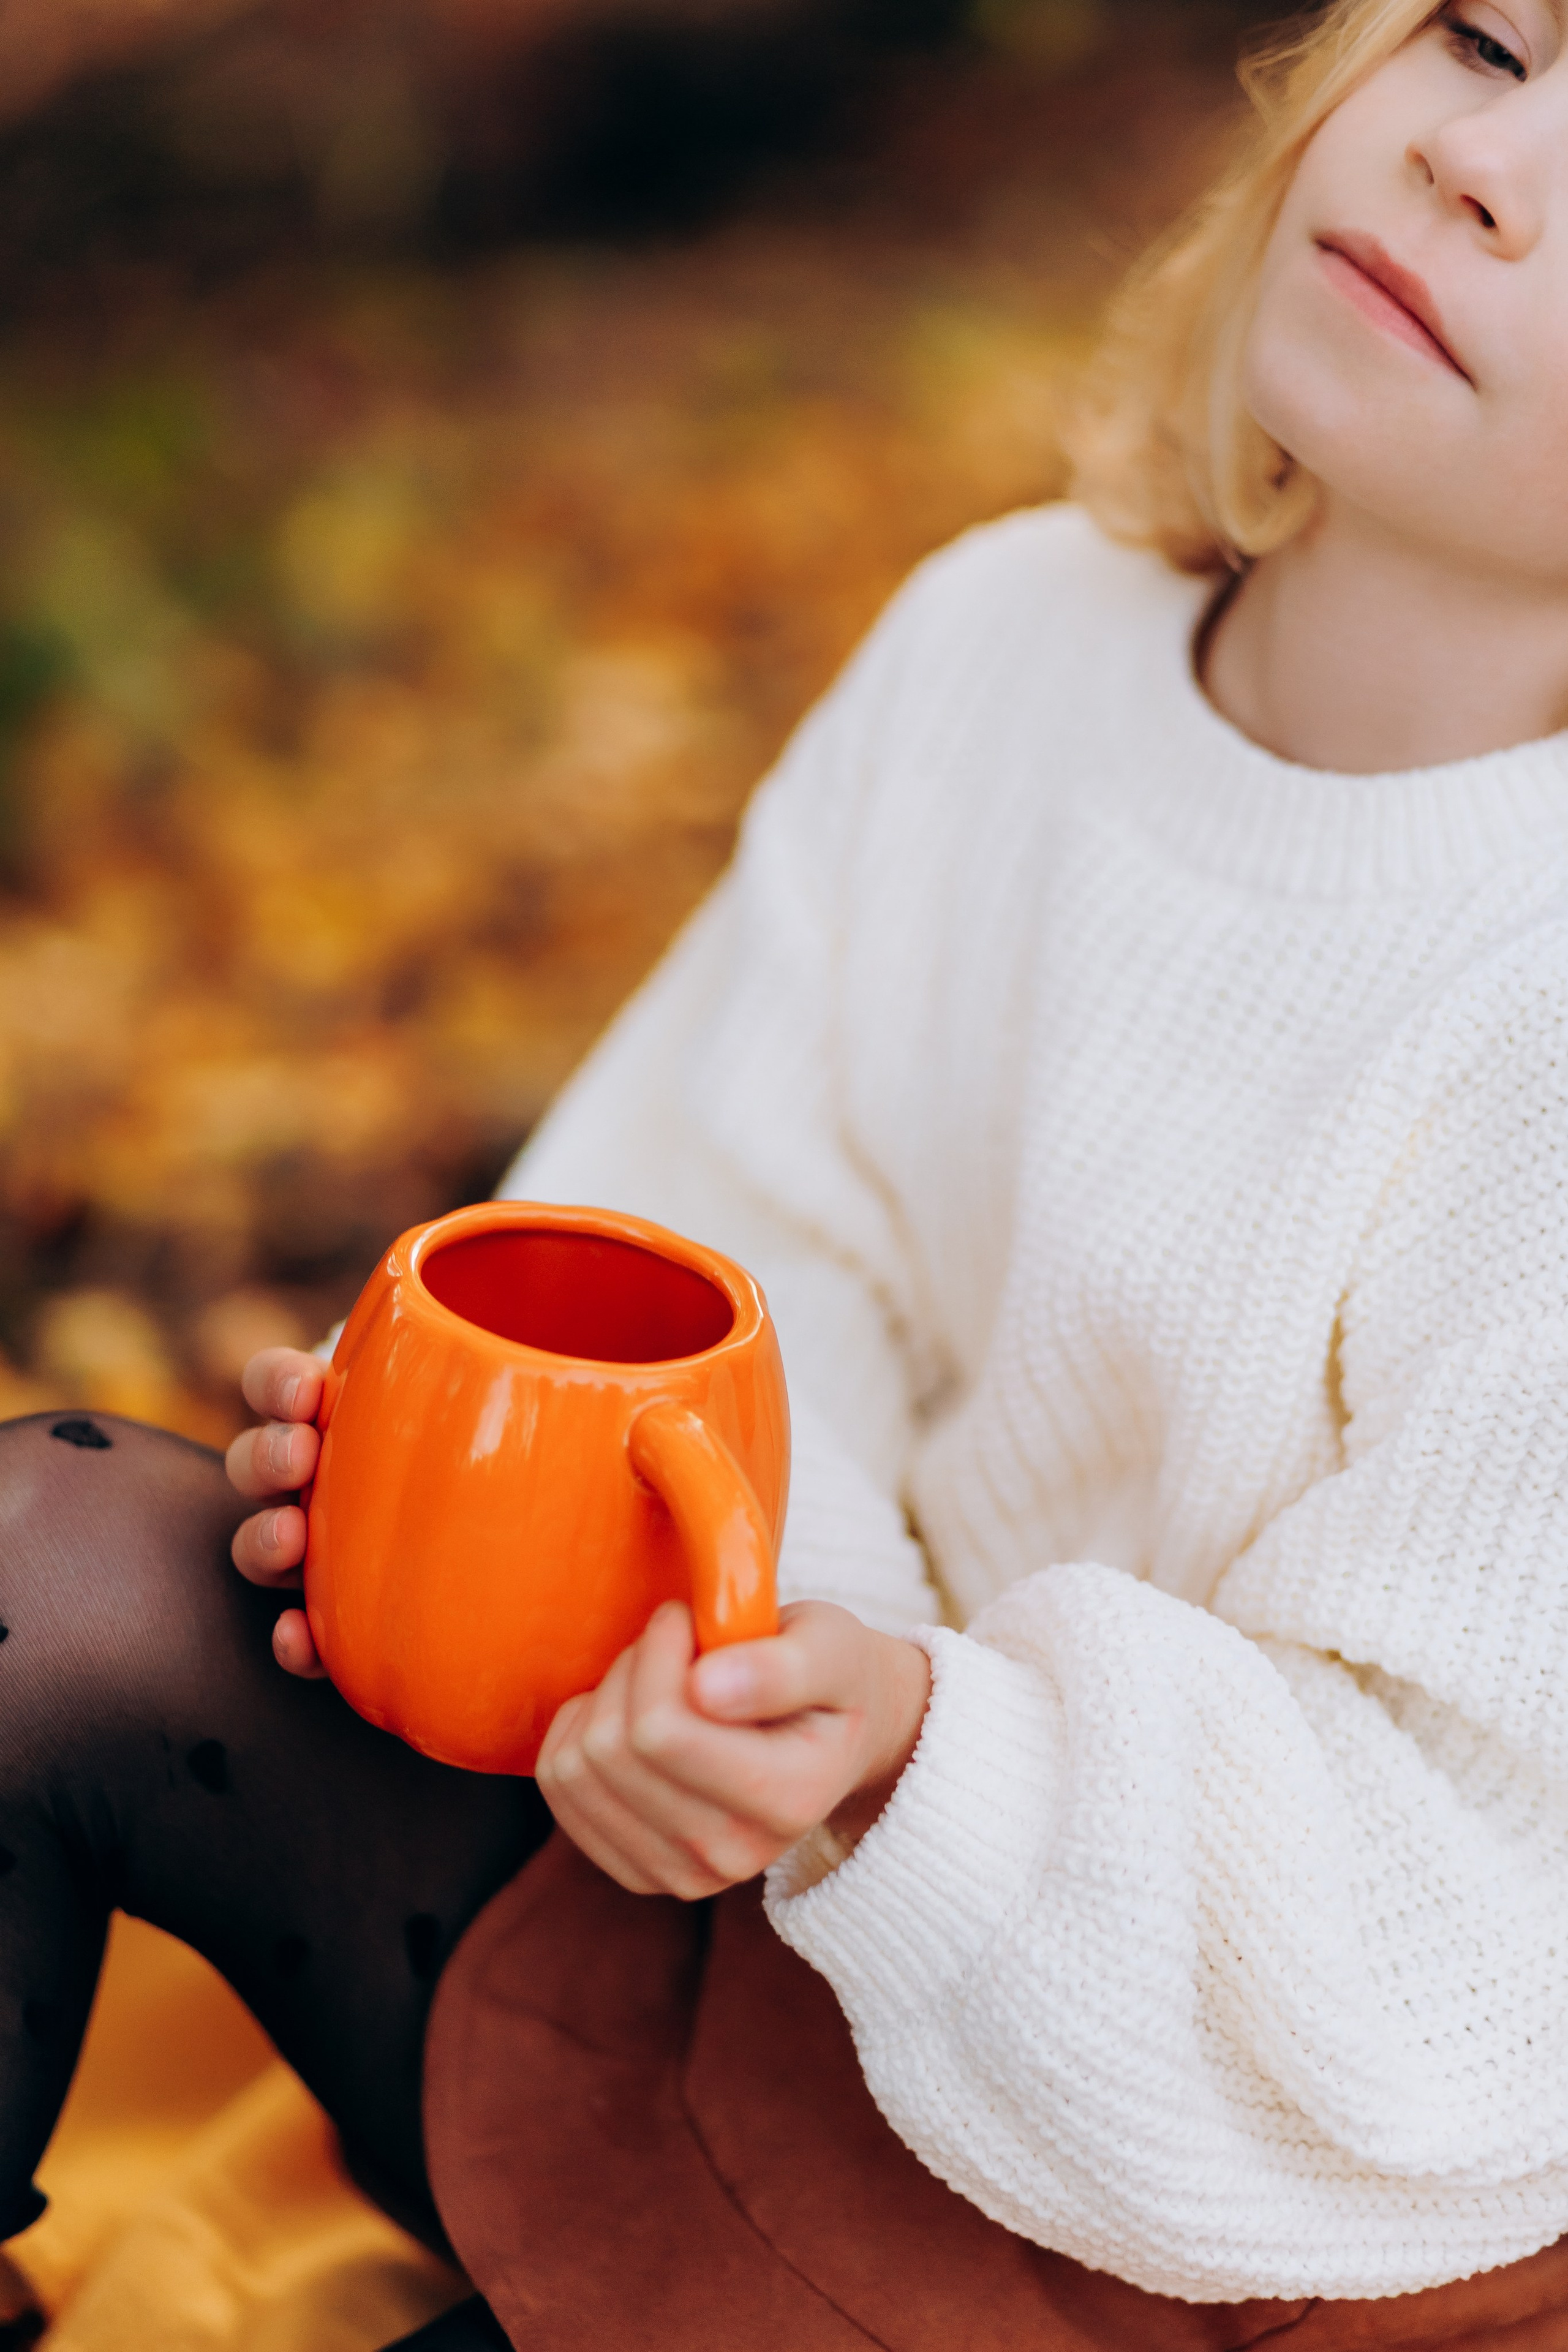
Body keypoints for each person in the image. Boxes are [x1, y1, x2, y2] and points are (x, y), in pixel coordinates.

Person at [6, 0, 1568, 2336]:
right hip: (749, 1890)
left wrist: (927, 1753)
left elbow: (1470, 1928)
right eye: (1483, 35)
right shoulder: (1006, 641)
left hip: (1218, 2216)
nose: (1487, 164)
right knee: (47, 1557)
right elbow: (738, 1241)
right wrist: (564, 1563)